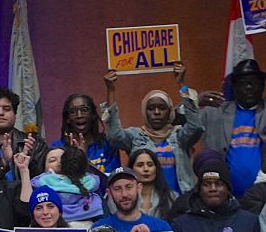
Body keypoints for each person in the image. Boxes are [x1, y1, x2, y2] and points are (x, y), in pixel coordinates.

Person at [197, 20, 266, 197]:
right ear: (234, 87)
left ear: (263, 86)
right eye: (243, 83)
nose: (249, 87)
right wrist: (194, 101)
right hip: (224, 200)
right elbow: (174, 120)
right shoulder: (214, 112)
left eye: (254, 82)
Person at [105, 64, 203, 194]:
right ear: (144, 112)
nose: (156, 112)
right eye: (151, 108)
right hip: (146, 204)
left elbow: (196, 127)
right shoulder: (135, 136)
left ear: (169, 112)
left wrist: (182, 84)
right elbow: (114, 136)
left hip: (181, 202)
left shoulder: (179, 135)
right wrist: (111, 91)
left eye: (162, 108)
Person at [0, 87, 48, 180]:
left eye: (6, 109)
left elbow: (43, 182)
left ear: (15, 115)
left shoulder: (35, 145)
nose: (1, 113)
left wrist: (30, 160)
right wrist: (4, 162)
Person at [29, 145, 104, 227]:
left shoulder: (42, 180)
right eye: (53, 160)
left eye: (62, 159)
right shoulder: (91, 181)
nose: (59, 163)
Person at [51, 94, 120, 175]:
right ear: (68, 119)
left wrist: (84, 160)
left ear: (93, 115)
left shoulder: (107, 144)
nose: (79, 115)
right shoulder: (57, 148)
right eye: (73, 111)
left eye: (85, 109)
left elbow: (113, 179)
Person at [129, 148, 177, 220]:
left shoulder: (171, 196)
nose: (146, 169)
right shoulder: (124, 197)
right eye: (140, 165)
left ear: (156, 168)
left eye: (150, 165)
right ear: (131, 169)